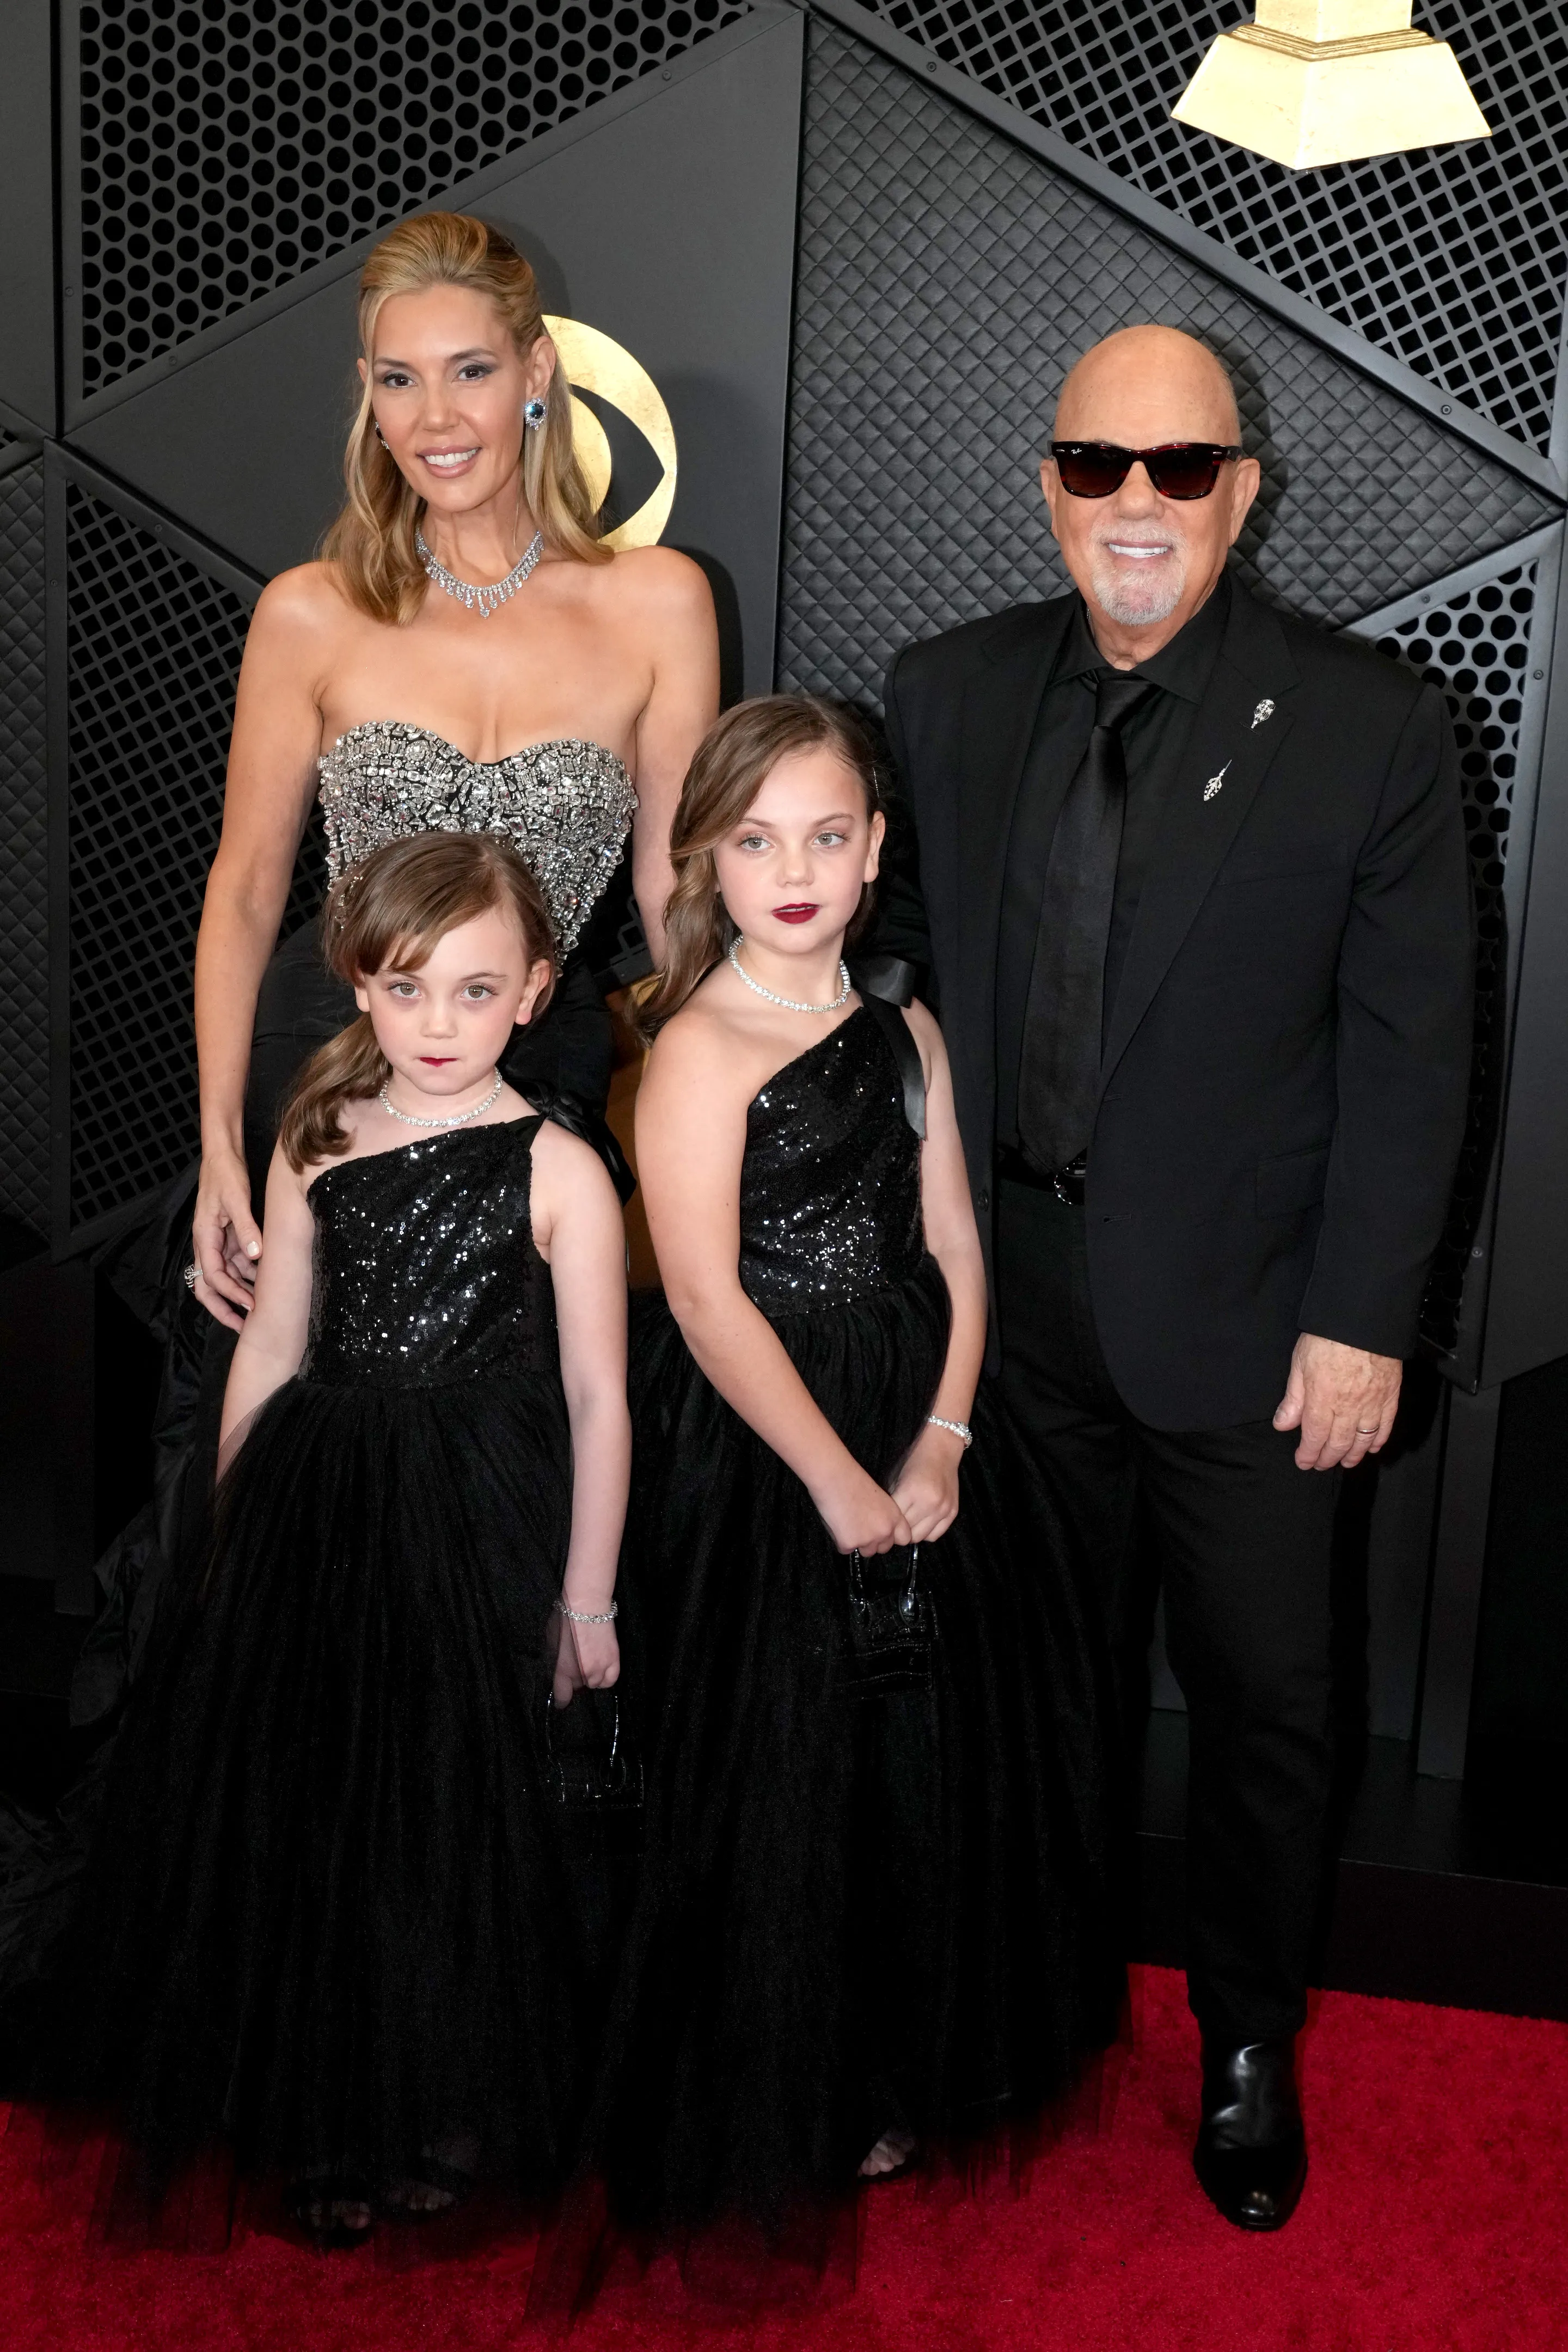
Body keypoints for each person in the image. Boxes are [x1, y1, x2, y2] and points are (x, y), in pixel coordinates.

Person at [877, 323, 1473, 2230]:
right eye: (1098, 463)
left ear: (1247, 487)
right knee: (1021, 1695)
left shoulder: (1367, 718)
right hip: (1004, 1302)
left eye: (1183, 469)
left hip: (1254, 1323)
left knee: (1265, 1710)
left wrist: (1367, 1315)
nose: (1138, 504)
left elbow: (1411, 1054)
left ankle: (1242, 2043)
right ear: (1049, 484)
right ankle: (1025, 2016)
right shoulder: (946, 691)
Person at [5, 832, 632, 2246]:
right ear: (360, 983)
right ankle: (329, 2105)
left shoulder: (562, 1171)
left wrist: (588, 1598)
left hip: (484, 1517)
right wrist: (222, 1537)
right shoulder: (315, 1131)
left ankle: (440, 2097)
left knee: (451, 1809)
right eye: (409, 990)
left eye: (476, 992)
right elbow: (273, 1343)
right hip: (320, 1500)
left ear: (534, 991)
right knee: (325, 1808)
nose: (438, 1025)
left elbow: (600, 1396)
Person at [591, 696, 1116, 2243]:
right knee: (775, 1767)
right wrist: (833, 1478)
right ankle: (781, 2074)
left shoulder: (910, 1031)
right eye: (757, 842)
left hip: (922, 1424)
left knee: (914, 1767)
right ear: (709, 862)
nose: (796, 868)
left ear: (877, 851)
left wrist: (945, 1435)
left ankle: (897, 2057)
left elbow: (957, 1247)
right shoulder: (693, 1046)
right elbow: (699, 1296)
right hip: (765, 1445)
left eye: (828, 835)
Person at [189, 206, 718, 1335]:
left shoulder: (660, 602)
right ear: (369, 400)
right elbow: (241, 892)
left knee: (502, 1433)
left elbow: (676, 896)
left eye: (469, 371)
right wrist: (220, 1149)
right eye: (399, 381)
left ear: (535, 373)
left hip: (534, 1066)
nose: (436, 419)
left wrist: (713, 1097)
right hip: (321, 1058)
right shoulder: (309, 613)